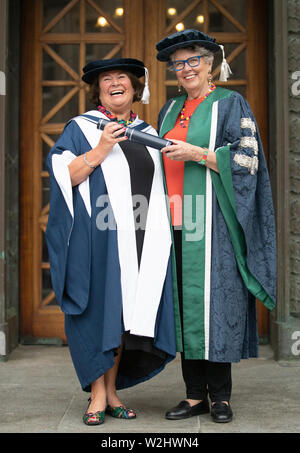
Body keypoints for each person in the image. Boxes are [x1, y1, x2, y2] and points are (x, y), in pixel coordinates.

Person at [46, 58, 176, 426]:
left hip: (138, 238)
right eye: (107, 79)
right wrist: (101, 149)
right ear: (98, 90)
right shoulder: (83, 129)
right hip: (96, 239)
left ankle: (113, 390)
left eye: (123, 78)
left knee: (121, 315)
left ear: (135, 88)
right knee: (97, 310)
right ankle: (97, 394)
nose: (115, 83)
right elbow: (64, 177)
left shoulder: (149, 132)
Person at [155, 29, 276, 423]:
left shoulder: (230, 103)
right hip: (176, 220)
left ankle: (220, 397)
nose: (186, 68)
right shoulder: (168, 110)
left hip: (214, 222)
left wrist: (199, 154)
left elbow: (247, 160)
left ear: (210, 64)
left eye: (194, 60)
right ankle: (193, 396)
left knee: (215, 303)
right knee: (185, 307)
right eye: (179, 63)